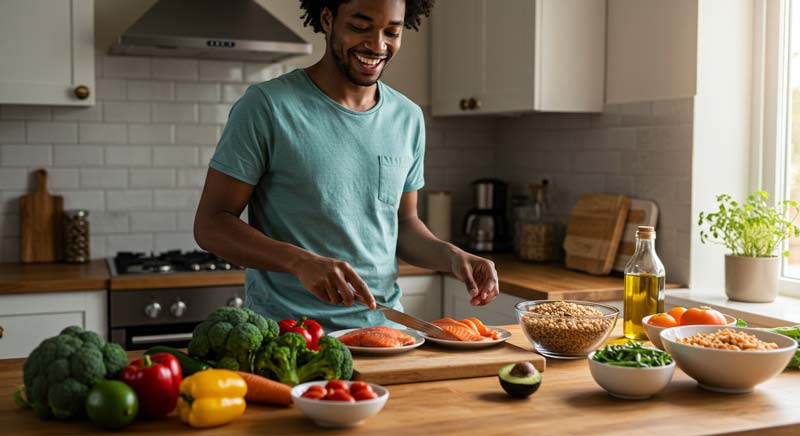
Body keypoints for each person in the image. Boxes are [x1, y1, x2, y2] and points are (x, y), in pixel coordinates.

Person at [194, 0, 500, 331]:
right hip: (291, 337)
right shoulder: (267, 107)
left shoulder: (408, 118)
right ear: (328, 19)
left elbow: (404, 224)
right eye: (360, 27)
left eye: (392, 32)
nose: (378, 45)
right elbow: (212, 224)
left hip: (385, 332)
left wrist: (453, 257)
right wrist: (300, 261)